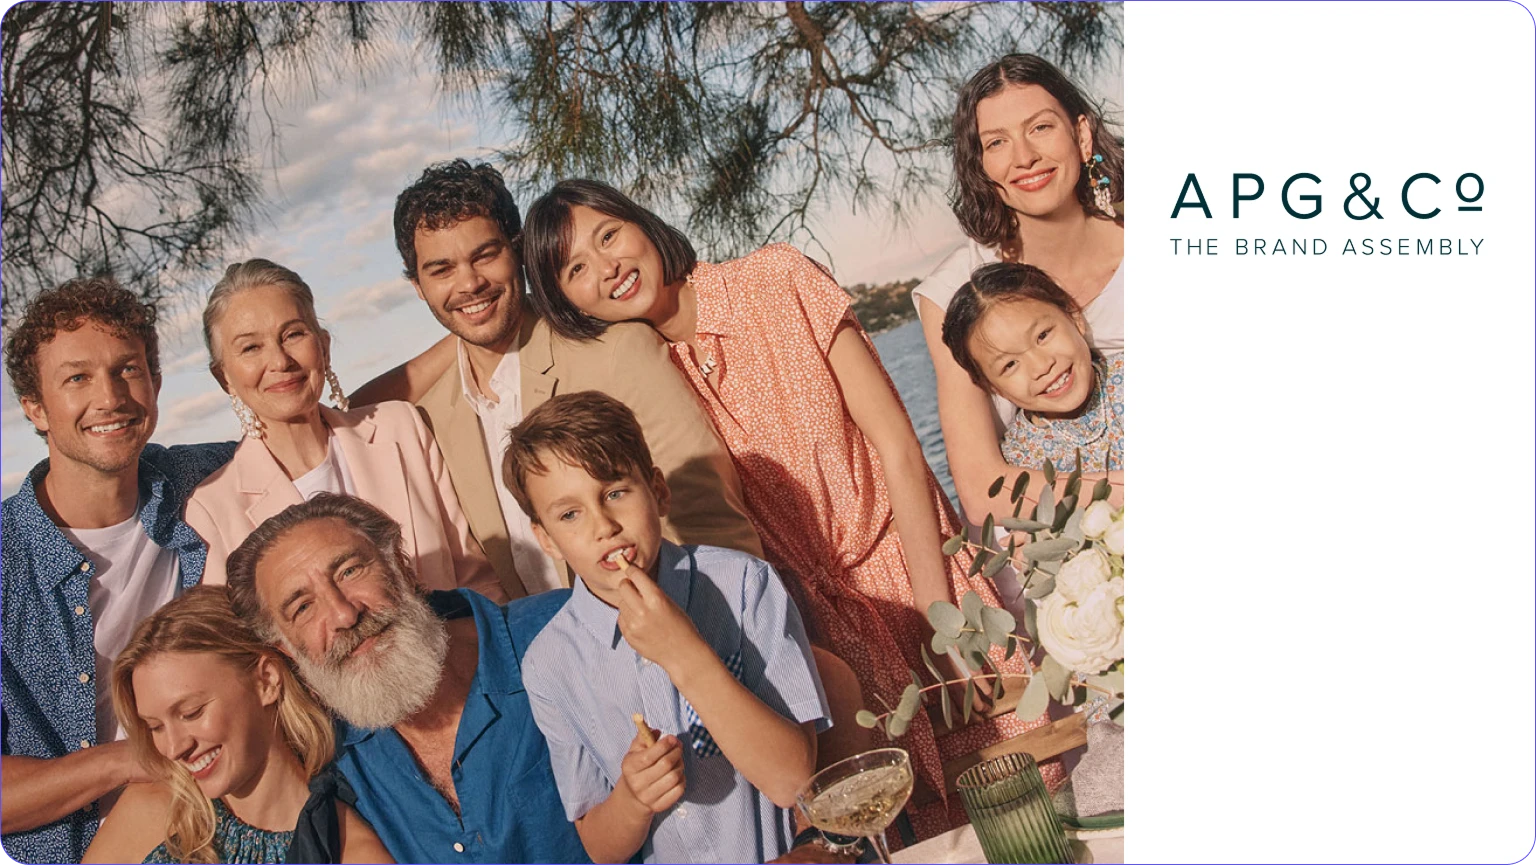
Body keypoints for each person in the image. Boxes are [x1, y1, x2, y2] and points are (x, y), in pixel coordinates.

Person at [519, 179, 1045, 839]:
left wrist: (942, 623)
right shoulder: (646, 388)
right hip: (816, 642)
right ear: (566, 300)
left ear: (638, 222)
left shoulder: (777, 279)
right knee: (914, 835)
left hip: (918, 575)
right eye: (576, 269)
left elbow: (900, 451)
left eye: (607, 236)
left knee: (1029, 792)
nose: (608, 268)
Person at [346, 159, 761, 600]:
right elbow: (351, 414)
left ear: (517, 249)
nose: (469, 282)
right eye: (442, 270)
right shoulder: (429, 419)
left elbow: (711, 521)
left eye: (485, 255)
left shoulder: (617, 350)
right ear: (418, 286)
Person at [505, 391, 829, 864]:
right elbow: (599, 848)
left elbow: (793, 780)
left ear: (658, 491)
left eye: (615, 492)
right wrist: (631, 802)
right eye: (569, 514)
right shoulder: (549, 663)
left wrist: (685, 654)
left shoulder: (744, 585)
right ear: (546, 539)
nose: (603, 526)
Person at [2, 278, 236, 863]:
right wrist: (134, 756)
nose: (109, 398)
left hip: (220, 825)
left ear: (155, 384)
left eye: (127, 369)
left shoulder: (206, 480)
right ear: (35, 407)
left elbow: (319, 423)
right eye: (76, 377)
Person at [221, 493, 590, 864]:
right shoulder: (326, 756)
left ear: (399, 564)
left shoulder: (563, 632)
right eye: (303, 607)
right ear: (287, 650)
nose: (344, 615)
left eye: (350, 571)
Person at [183, 259, 504, 603]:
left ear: (324, 346)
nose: (279, 361)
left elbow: (475, 577)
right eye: (251, 347)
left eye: (293, 335)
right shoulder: (211, 509)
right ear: (224, 377)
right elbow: (236, 651)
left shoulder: (401, 427)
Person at [913, 53, 1125, 528]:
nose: (1024, 156)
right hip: (1053, 538)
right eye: (997, 142)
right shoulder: (955, 291)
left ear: (1082, 135)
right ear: (982, 166)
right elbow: (984, 489)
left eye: (1041, 128)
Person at [81, 586, 392, 864]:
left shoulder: (349, 851)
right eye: (155, 727)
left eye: (191, 712)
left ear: (266, 680)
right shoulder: (150, 814)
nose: (175, 748)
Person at [941, 263, 1123, 474]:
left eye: (1042, 336)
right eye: (1010, 365)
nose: (1041, 366)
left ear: (1073, 316)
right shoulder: (1020, 465)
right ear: (992, 387)